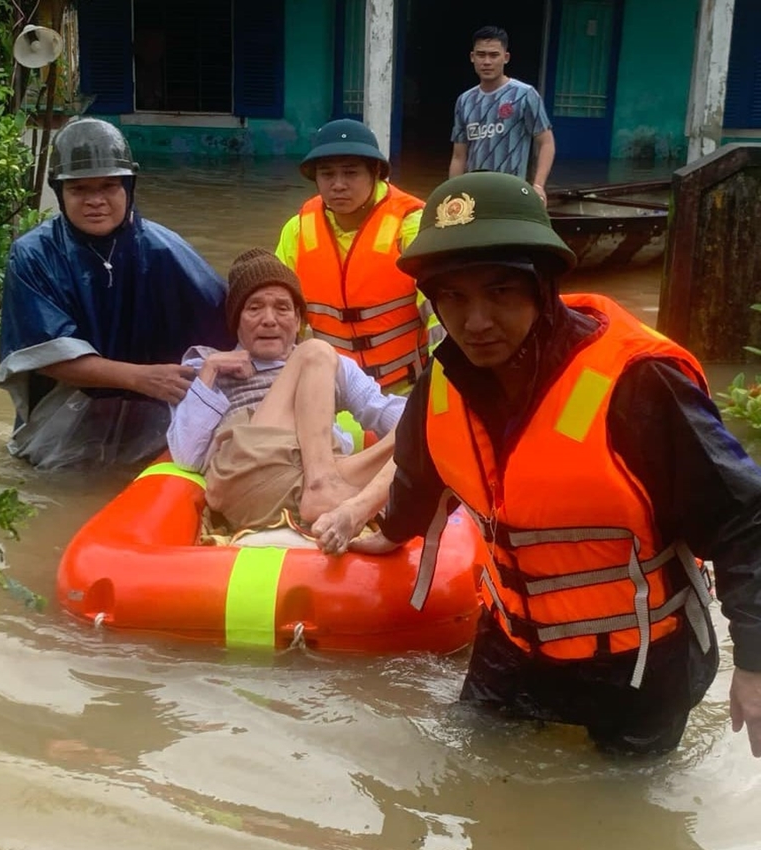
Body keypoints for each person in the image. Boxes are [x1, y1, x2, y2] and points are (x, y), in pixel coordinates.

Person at [322, 170, 761, 757]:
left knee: (623, 816)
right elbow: (417, 471)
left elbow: (744, 521)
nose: (475, 321)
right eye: (453, 296)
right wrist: (391, 533)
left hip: (640, 663)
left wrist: (754, 665)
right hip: (512, 646)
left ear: (543, 286)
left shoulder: (639, 385)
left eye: (500, 292)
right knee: (471, 783)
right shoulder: (443, 381)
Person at [0, 117, 232, 470]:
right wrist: (141, 377)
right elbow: (43, 353)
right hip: (65, 415)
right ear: (60, 193)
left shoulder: (164, 251)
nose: (96, 201)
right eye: (79, 190)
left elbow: (229, 324)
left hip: (153, 416)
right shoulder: (33, 255)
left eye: (108, 187)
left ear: (128, 188)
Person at [167, 248, 405, 534]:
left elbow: (381, 409)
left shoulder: (333, 366)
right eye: (254, 308)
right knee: (315, 351)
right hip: (247, 475)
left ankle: (330, 491)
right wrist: (210, 370)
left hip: (305, 478)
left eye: (282, 308)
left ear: (297, 320)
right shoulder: (207, 364)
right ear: (236, 320)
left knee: (423, 428)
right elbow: (186, 456)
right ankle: (324, 486)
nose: (269, 319)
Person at [275, 119, 442, 396]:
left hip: (406, 388)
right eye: (327, 175)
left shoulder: (411, 225)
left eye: (350, 173)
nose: (338, 185)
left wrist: (439, 384)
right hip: (331, 389)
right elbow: (279, 309)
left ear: (375, 172)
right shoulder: (297, 230)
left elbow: (441, 313)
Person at [448, 26, 555, 204]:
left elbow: (546, 142)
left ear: (506, 58)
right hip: (474, 194)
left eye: (493, 55)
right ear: (472, 58)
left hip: (513, 193)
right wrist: (453, 194)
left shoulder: (524, 94)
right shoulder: (464, 101)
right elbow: (459, 156)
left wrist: (538, 185)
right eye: (481, 55)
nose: (487, 62)